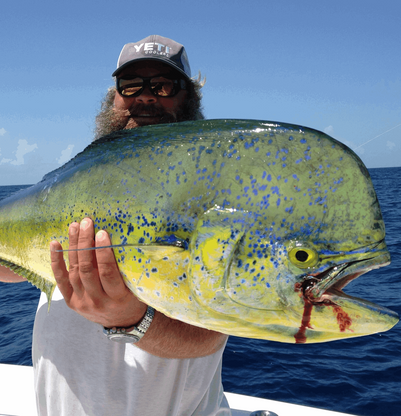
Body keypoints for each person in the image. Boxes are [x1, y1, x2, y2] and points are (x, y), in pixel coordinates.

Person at [0, 35, 231, 416]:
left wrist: (129, 320)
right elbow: (15, 263)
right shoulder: (67, 186)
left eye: (162, 85)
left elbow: (207, 337)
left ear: (190, 100)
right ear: (114, 98)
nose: (145, 97)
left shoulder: (212, 197)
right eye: (131, 85)